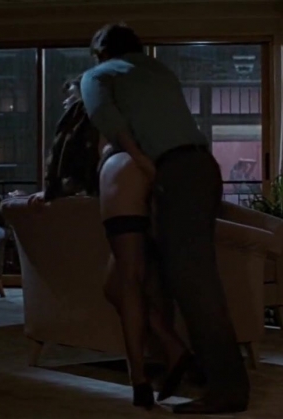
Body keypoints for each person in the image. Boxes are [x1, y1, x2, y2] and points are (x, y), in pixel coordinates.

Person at [79, 23, 250, 414]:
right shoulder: (159, 71)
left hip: (174, 170)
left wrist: (140, 160)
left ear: (101, 52)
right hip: (203, 167)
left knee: (196, 284)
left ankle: (228, 388)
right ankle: (189, 364)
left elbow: (106, 118)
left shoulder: (97, 76)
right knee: (177, 274)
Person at [28, 75, 196, 410]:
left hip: (127, 186)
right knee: (116, 287)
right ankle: (174, 348)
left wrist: (53, 190)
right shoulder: (126, 122)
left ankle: (139, 380)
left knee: (128, 285)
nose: (67, 103)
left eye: (72, 96)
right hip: (139, 189)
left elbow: (75, 164)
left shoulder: (98, 119)